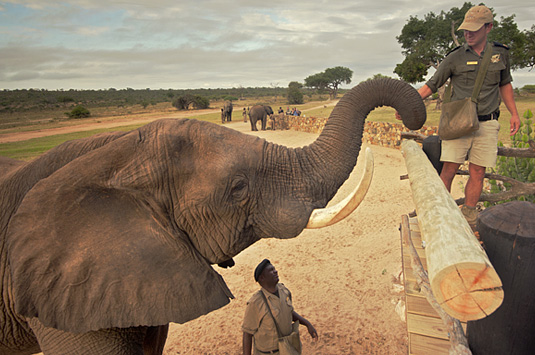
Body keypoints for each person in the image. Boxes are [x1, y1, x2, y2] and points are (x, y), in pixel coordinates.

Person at [402, 5, 521, 225]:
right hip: (458, 123)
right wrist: (408, 105)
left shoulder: (500, 53)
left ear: (489, 27)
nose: (468, 33)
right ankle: (442, 215)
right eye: (466, 29)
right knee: (449, 169)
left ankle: (469, 215)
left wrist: (514, 113)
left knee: (478, 172)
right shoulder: (455, 57)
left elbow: (505, 84)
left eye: (474, 29)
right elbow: (431, 85)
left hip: (488, 123)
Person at [242, 259, 318, 355]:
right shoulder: (255, 303)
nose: (275, 271)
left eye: (274, 269)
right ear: (262, 278)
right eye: (271, 270)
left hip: (288, 349)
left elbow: (289, 312)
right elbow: (247, 333)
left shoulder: (284, 291)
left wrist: (307, 324)